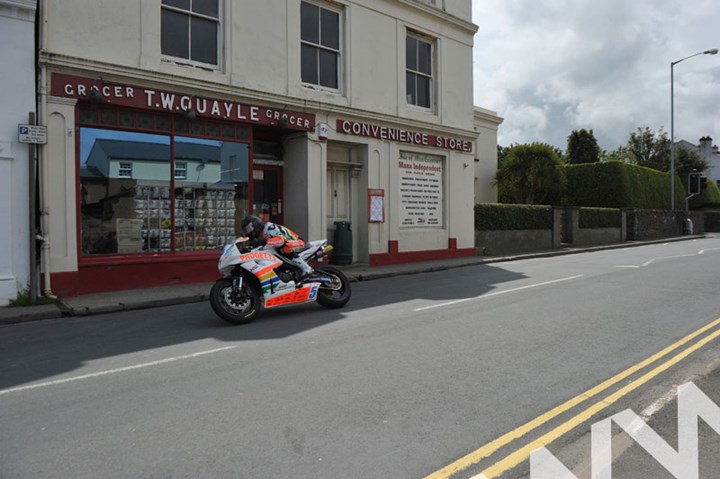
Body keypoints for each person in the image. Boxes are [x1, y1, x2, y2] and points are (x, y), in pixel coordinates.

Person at [240, 215, 314, 280]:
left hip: (298, 243)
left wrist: (264, 240)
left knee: (283, 248)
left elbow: (281, 240)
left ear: (255, 224)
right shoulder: (260, 234)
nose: (248, 232)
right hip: (289, 244)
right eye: (246, 230)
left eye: (249, 229)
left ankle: (306, 268)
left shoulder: (269, 228)